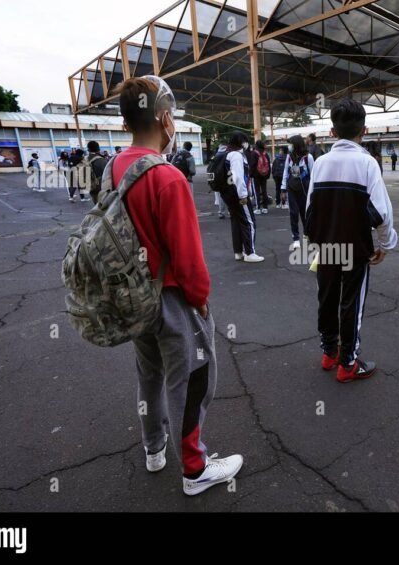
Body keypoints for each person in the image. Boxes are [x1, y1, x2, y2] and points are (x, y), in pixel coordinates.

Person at [111, 75, 242, 496]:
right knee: (193, 377)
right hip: (171, 300)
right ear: (166, 119)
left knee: (148, 373)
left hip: (133, 295)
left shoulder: (114, 167)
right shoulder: (167, 178)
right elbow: (187, 258)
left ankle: (154, 448)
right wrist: (200, 300)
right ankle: (194, 468)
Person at [306, 98, 398, 383]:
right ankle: (348, 363)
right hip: (357, 248)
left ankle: (329, 352)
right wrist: (384, 244)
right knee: (351, 303)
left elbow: (310, 209)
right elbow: (381, 212)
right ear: (365, 130)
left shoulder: (320, 163)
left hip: (326, 248)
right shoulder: (367, 163)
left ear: (332, 132)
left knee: (327, 298)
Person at [219, 131, 265, 263]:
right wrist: (243, 195)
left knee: (236, 221)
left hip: (228, 194)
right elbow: (238, 176)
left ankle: (238, 252)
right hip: (237, 195)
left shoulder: (227, 153)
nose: (246, 144)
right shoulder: (237, 155)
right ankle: (250, 252)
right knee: (249, 221)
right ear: (240, 142)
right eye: (245, 141)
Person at [281, 134, 314, 250]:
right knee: (293, 213)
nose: (289, 146)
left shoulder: (307, 157)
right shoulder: (289, 157)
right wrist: (283, 189)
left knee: (306, 215)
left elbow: (313, 174)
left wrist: (313, 191)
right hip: (292, 189)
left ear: (296, 145)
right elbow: (286, 172)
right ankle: (295, 238)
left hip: (305, 190)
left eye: (291, 144)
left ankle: (307, 234)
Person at [250, 140, 271, 215]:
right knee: (264, 191)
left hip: (256, 175)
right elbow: (268, 164)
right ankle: (265, 208)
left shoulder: (254, 153)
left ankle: (258, 208)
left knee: (256, 191)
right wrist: (268, 174)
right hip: (264, 175)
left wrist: (251, 174)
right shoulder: (266, 154)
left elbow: (252, 165)